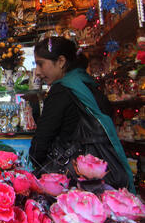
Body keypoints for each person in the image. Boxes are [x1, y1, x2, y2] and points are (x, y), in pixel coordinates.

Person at [28, 36, 135, 193]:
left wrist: (36, 161)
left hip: (72, 180)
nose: (37, 72)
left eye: (40, 64)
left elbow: (42, 141)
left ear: (61, 62)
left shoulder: (61, 91)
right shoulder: (87, 84)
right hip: (101, 174)